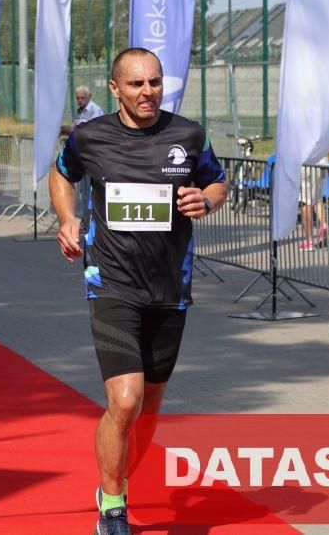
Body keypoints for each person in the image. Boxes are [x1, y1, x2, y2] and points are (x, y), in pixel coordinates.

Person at [48, 48, 228, 535]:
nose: (148, 92)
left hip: (170, 289)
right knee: (125, 401)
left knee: (147, 406)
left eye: (155, 82)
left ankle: (118, 482)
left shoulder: (188, 135)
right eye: (136, 84)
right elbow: (61, 172)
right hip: (111, 283)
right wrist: (66, 218)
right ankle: (112, 507)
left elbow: (217, 183)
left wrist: (206, 200)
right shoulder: (90, 136)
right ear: (115, 88)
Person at [299, 139, 329, 251]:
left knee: (305, 201)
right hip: (322, 163)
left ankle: (309, 242)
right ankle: (324, 224)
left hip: (306, 163)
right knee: (317, 198)